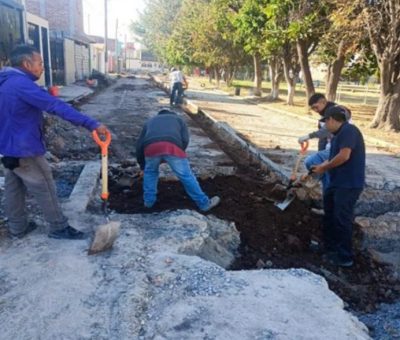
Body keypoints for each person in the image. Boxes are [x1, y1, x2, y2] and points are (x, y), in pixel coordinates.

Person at [0, 45, 109, 240]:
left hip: (7, 148)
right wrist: (91, 123)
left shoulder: (4, 83)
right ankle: (59, 227)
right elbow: (55, 105)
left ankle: (18, 227)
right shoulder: (21, 85)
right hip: (25, 149)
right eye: (40, 63)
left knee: (14, 188)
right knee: (45, 186)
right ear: (27, 64)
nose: (43, 67)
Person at [311, 106, 365, 267]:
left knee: (342, 219)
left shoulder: (349, 131)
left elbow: (344, 156)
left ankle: (345, 257)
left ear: (332, 120)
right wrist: (318, 168)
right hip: (337, 183)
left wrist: (324, 168)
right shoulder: (337, 135)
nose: (325, 126)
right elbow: (334, 157)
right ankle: (330, 248)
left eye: (325, 122)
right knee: (330, 214)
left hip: (348, 185)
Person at [136, 109, 220, 212]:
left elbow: (139, 144)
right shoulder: (179, 119)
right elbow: (185, 140)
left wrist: (142, 166)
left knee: (150, 173)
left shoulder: (150, 121)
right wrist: (178, 153)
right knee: (186, 176)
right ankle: (204, 204)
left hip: (150, 148)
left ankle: (148, 203)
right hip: (173, 147)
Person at [298, 93, 351, 192]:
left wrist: (308, 136)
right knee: (324, 170)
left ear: (323, 102)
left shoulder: (337, 111)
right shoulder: (326, 114)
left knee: (311, 161)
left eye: (316, 107)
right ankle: (326, 188)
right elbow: (324, 138)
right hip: (331, 146)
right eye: (313, 108)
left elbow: (324, 131)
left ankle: (324, 186)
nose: (315, 110)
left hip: (340, 147)